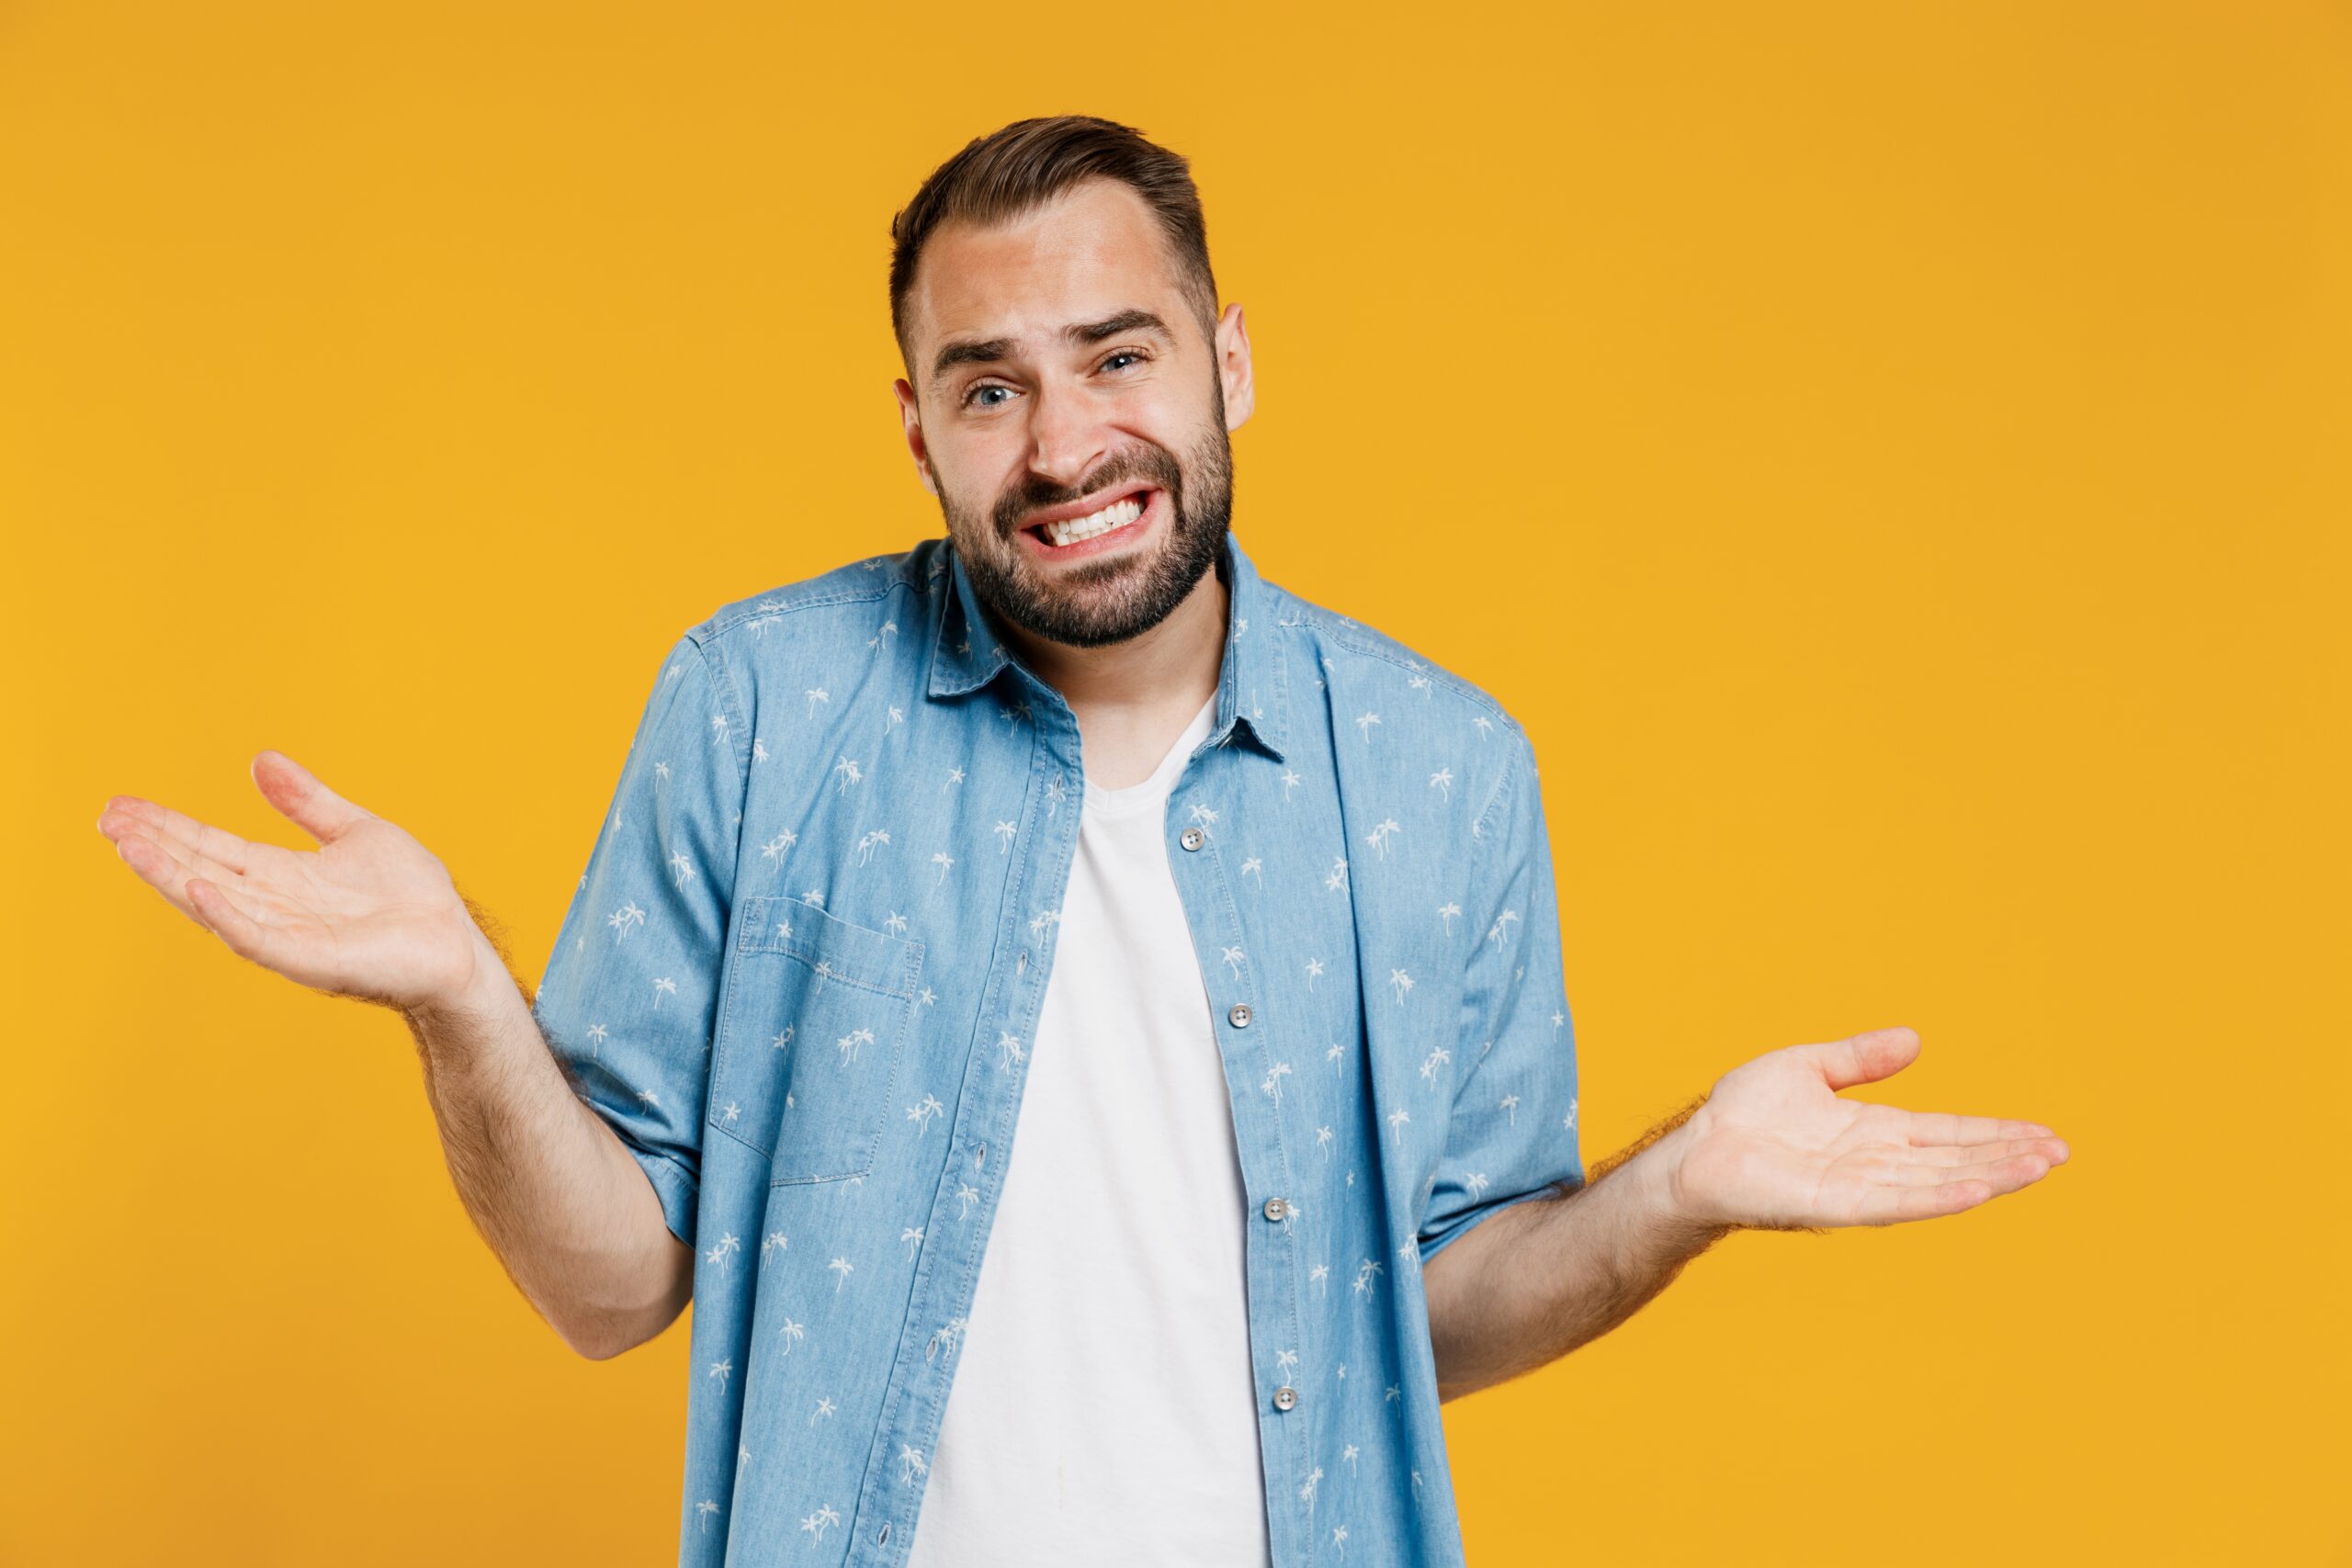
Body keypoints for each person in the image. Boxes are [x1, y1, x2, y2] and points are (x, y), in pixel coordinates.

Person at [95, 114, 2070, 1568]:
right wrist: (456, 995)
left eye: (1117, 357)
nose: (1060, 447)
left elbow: (1429, 1315)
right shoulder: (761, 703)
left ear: (1225, 363)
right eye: (989, 386)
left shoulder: (1439, 767)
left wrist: (1681, 1185)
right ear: (916, 428)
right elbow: (610, 1285)